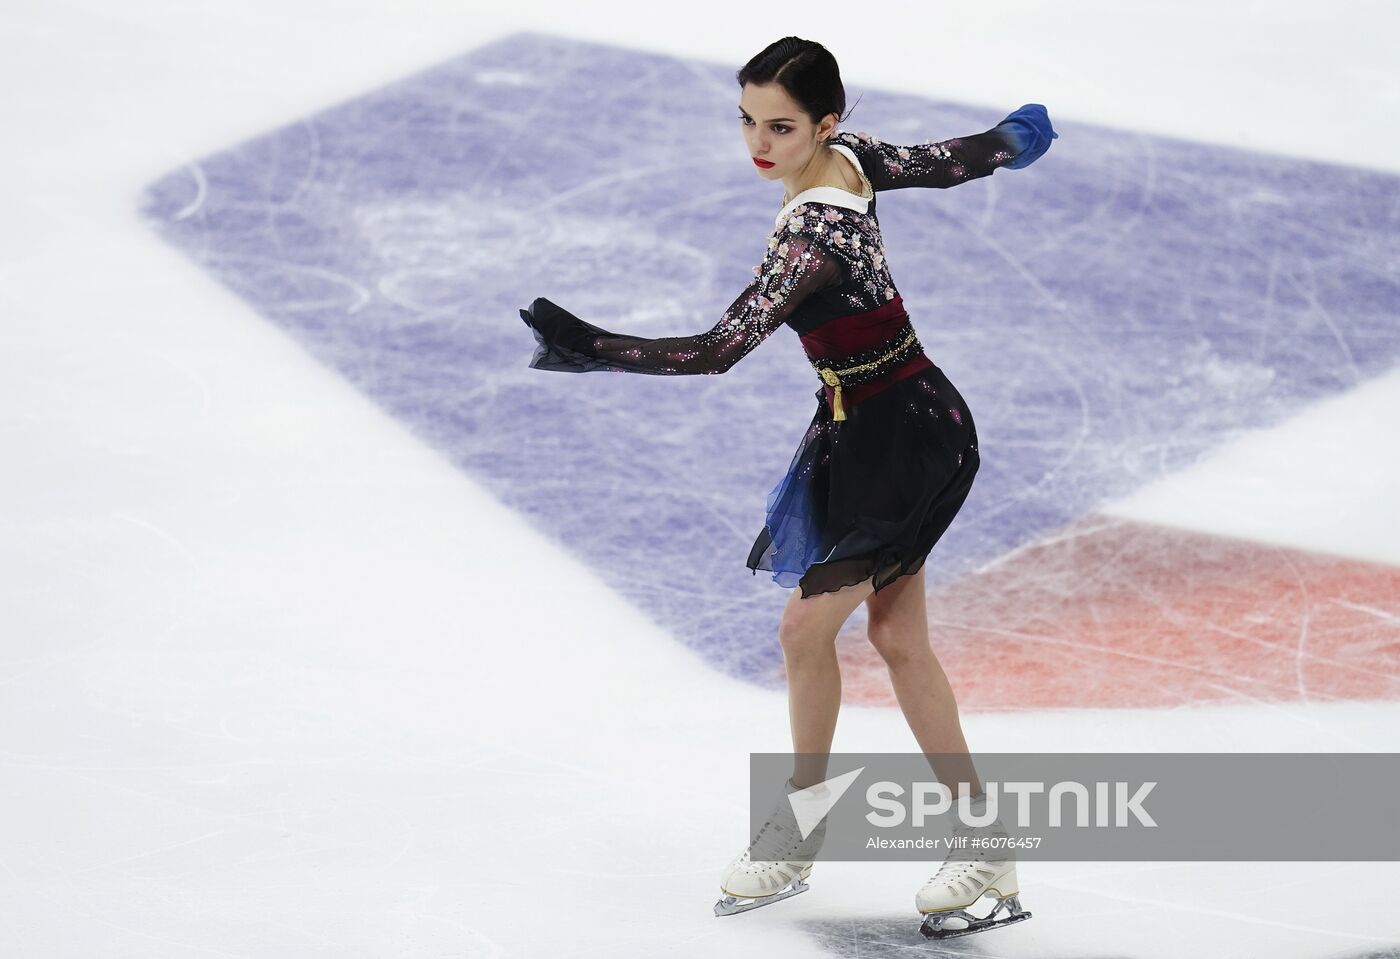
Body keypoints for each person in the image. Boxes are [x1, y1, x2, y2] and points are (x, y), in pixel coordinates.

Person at [519, 36, 1056, 939]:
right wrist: (1012, 138)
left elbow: (716, 350)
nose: (760, 144)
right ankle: (976, 836)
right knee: (895, 638)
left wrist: (594, 348)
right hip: (884, 423)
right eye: (748, 121)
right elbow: (951, 161)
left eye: (781, 126)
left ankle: (804, 832)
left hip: (903, 437)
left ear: (825, 123)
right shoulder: (854, 157)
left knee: (809, 628)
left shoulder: (813, 237)